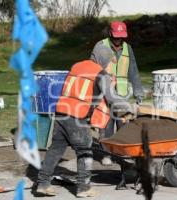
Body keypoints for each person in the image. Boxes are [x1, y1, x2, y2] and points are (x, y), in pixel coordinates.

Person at [36, 46, 132, 198]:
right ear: (103, 59)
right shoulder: (100, 73)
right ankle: (83, 188)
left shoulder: (76, 66)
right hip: (76, 116)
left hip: (61, 112)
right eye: (108, 62)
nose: (108, 66)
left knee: (55, 149)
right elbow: (112, 97)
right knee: (85, 150)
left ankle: (43, 184)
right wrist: (129, 108)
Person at [90, 21, 144, 165]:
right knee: (107, 125)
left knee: (123, 125)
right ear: (110, 34)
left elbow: (133, 71)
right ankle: (106, 154)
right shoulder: (100, 46)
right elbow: (92, 68)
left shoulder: (128, 49)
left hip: (122, 94)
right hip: (104, 93)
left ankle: (123, 153)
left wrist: (138, 91)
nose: (118, 40)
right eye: (116, 37)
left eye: (121, 37)